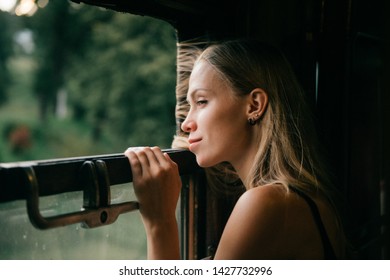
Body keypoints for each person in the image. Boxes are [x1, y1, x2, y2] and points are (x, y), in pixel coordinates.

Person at [125, 39, 345, 259]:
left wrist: (160, 222)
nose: (186, 124)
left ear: (254, 106)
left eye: (201, 102)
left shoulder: (266, 203)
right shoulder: (307, 199)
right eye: (189, 106)